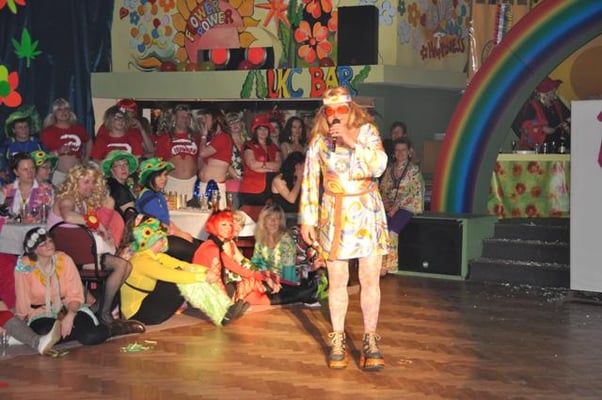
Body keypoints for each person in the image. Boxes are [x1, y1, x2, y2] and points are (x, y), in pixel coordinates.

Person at [300, 86, 389, 370]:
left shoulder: (368, 132)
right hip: (334, 214)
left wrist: (352, 141)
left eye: (341, 109)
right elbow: (310, 180)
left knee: (369, 279)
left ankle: (370, 339)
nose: (335, 116)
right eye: (330, 111)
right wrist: (307, 218)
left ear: (351, 109)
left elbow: (379, 166)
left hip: (366, 212)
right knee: (337, 280)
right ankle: (337, 339)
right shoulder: (319, 141)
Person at [47, 163, 144, 335]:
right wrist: (97, 224)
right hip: (67, 258)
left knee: (126, 266)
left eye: (93, 182)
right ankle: (104, 314)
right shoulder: (67, 199)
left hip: (83, 255)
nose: (90, 186)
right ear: (74, 182)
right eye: (86, 182)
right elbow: (68, 216)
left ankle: (99, 309)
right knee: (121, 266)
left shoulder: (83, 203)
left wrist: (101, 229)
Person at [120, 215, 248, 326]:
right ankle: (221, 314)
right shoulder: (143, 261)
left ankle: (225, 308)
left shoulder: (154, 255)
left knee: (186, 273)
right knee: (182, 280)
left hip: (147, 304)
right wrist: (202, 277)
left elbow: (182, 265)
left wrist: (205, 271)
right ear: (151, 242)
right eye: (160, 239)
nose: (165, 241)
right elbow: (172, 275)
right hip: (138, 315)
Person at [14, 227, 110, 345]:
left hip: (68, 307)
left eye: (50, 241)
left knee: (91, 337)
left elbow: (75, 295)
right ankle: (75, 332)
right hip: (40, 313)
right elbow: (22, 297)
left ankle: (104, 329)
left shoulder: (64, 260)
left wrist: (70, 316)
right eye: (43, 244)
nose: (49, 246)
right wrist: (20, 322)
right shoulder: (24, 266)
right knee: (45, 332)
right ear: (33, 250)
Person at [192, 210, 280, 305]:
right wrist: (263, 277)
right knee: (260, 286)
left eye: (240, 224)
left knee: (267, 286)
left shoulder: (229, 242)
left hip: (227, 283)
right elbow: (236, 269)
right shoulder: (216, 245)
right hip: (220, 287)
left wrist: (263, 274)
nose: (237, 227)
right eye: (234, 223)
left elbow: (243, 261)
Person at [135, 157, 201, 262]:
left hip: (162, 234)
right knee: (195, 250)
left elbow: (166, 221)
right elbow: (159, 224)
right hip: (153, 239)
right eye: (159, 176)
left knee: (200, 244)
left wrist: (181, 232)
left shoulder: (157, 194)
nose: (163, 179)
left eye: (165, 175)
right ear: (150, 177)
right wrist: (180, 234)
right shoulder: (149, 197)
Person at [379, 138, 424, 275]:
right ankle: (379, 264)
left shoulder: (413, 170)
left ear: (409, 152)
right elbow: (383, 189)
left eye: (403, 150)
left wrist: (396, 206)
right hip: (390, 207)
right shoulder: (389, 169)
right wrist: (385, 203)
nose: (400, 153)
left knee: (392, 231)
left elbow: (415, 192)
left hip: (407, 206)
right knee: (381, 229)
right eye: (397, 150)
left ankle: (390, 266)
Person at [40, 98, 92, 187]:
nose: (63, 112)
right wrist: (58, 152)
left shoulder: (78, 129)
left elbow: (89, 141)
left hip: (78, 174)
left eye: (66, 109)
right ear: (54, 113)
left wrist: (86, 158)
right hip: (59, 174)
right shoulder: (48, 132)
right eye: (59, 109)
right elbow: (43, 155)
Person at [512, 77, 571, 152]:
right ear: (545, 94)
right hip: (541, 151)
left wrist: (567, 127)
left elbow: (570, 121)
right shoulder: (531, 107)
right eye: (552, 93)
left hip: (562, 149)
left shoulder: (557, 104)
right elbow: (523, 125)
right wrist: (542, 128)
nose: (554, 96)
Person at [153, 104, 200, 198]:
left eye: (188, 117)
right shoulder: (165, 138)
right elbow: (158, 163)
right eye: (182, 117)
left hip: (192, 182)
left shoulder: (196, 137)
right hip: (172, 182)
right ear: (174, 118)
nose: (185, 119)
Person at [239, 114, 282, 206]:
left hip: (271, 189)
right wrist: (270, 168)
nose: (263, 132)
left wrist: (261, 166)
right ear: (255, 131)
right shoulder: (248, 145)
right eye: (260, 129)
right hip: (252, 189)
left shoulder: (273, 147)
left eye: (265, 129)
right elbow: (252, 164)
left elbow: (278, 165)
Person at [2, 153, 54, 221]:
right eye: (25, 169)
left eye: (32, 168)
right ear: (16, 172)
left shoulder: (48, 191)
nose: (30, 172)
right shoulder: (5, 192)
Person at [197, 108, 232, 210]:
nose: (204, 121)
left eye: (206, 118)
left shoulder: (223, 137)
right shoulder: (214, 138)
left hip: (214, 187)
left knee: (215, 216)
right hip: (204, 185)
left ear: (215, 119)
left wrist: (203, 136)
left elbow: (203, 153)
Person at [1, 105, 44, 183]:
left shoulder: (38, 144)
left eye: (26, 127)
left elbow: (46, 163)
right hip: (13, 182)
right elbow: (2, 163)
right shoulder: (8, 145)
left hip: (35, 182)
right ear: (14, 130)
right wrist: (2, 172)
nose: (24, 130)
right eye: (20, 127)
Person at [101, 150, 139, 217]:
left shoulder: (112, 183)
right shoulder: (118, 189)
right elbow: (132, 217)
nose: (123, 168)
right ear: (111, 170)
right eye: (118, 165)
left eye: (125, 164)